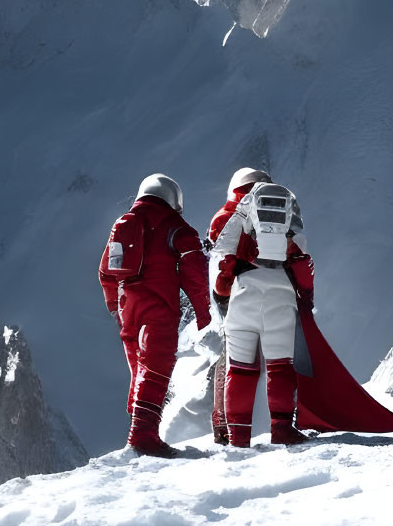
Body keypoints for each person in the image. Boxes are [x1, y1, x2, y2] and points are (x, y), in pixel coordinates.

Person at [98, 174, 212, 456]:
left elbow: (105, 270)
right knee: (156, 366)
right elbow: (195, 272)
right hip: (158, 306)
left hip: (128, 308)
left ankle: (139, 428)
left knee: (139, 369)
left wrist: (114, 304)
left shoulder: (123, 224)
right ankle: (143, 436)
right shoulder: (175, 226)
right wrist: (203, 313)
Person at [212, 178, 315, 446]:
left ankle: (238, 436)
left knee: (241, 368)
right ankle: (281, 429)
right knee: (280, 367)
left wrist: (223, 293)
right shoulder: (290, 225)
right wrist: (306, 300)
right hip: (281, 295)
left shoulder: (243, 221)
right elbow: (303, 266)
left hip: (244, 292)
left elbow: (224, 265)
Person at [204, 165, 272, 444]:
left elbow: (217, 255)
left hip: (230, 292)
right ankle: (278, 420)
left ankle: (225, 424)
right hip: (269, 288)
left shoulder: (223, 215)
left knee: (232, 356)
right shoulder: (273, 210)